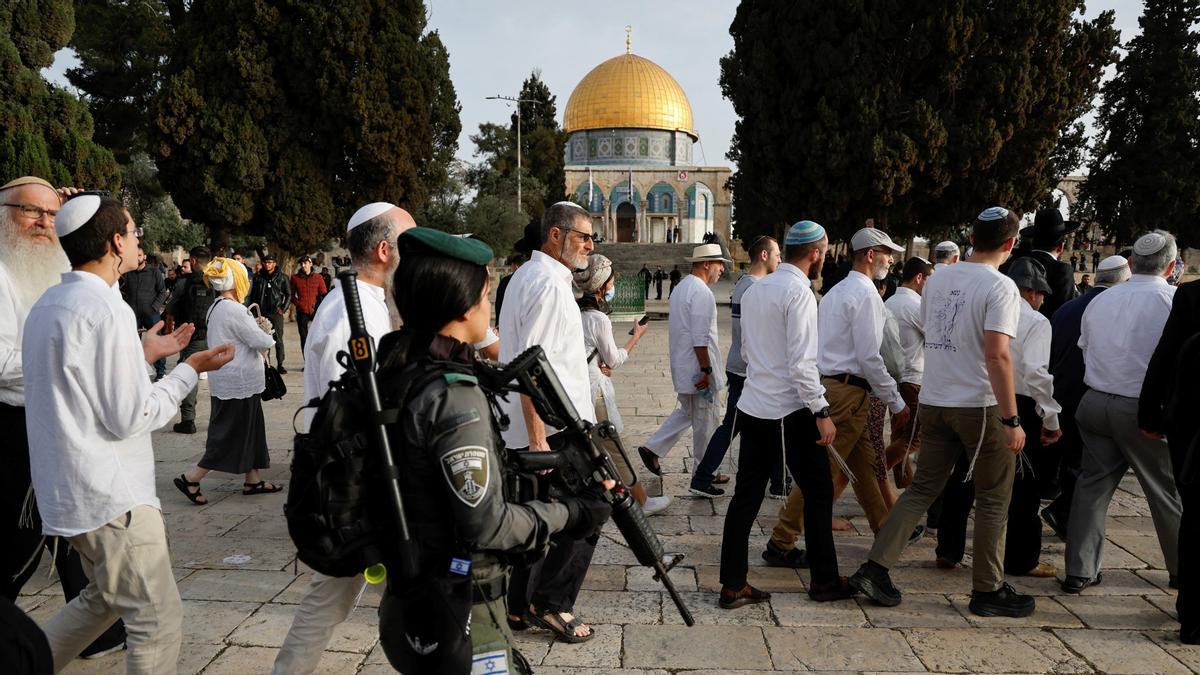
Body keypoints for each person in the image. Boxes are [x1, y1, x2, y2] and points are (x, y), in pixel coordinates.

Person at [371, 226, 610, 674]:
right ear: (462, 307)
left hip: (410, 593)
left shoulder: (399, 364)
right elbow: (488, 524)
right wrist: (572, 514)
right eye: (485, 298)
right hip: (462, 605)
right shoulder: (453, 395)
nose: (489, 310)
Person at [23, 194, 233, 672]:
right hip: (110, 497)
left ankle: (23, 663)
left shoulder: (50, 304)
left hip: (70, 493)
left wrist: (141, 354)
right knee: (157, 621)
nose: (139, 239)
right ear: (116, 242)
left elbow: (79, 382)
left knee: (105, 599)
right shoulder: (106, 308)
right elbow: (131, 415)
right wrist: (188, 371)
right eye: (135, 232)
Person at [850, 206, 1034, 618]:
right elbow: (998, 355)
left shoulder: (938, 279)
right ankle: (988, 588)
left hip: (935, 399)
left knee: (921, 490)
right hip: (979, 404)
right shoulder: (1001, 287)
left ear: (972, 237)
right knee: (992, 498)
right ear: (1010, 244)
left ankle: (875, 567)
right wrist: (1012, 418)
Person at [272, 202, 414, 674]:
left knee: (334, 599)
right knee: (331, 598)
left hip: (367, 477)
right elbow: (345, 410)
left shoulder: (370, 305)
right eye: (407, 245)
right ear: (383, 250)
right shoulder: (347, 315)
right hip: (354, 482)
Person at [0, 177, 128, 659]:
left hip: (52, 421)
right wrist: (63, 365)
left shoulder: (54, 268)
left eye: (54, 215)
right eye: (31, 211)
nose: (44, 223)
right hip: (11, 428)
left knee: (69, 526)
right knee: (19, 542)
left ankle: (99, 632)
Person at [718, 219, 858, 607]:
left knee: (745, 498)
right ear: (816, 253)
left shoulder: (757, 290)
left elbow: (746, 353)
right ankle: (825, 581)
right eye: (825, 252)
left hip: (754, 405)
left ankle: (732, 584)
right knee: (818, 491)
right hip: (789, 411)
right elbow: (801, 364)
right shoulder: (799, 293)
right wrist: (822, 409)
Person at [763, 227, 911, 565]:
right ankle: (782, 540)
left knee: (865, 465)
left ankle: (885, 532)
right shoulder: (866, 295)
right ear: (870, 255)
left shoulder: (835, 292)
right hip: (849, 392)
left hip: (835, 387)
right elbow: (870, 358)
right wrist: (896, 401)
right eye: (887, 252)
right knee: (823, 472)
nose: (891, 258)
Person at [499, 201, 603, 643]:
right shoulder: (546, 283)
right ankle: (554, 603)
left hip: (545, 425)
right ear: (556, 235)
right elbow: (530, 366)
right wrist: (540, 437)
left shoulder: (533, 275)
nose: (590, 245)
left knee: (538, 517)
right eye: (583, 236)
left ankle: (521, 606)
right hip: (553, 429)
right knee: (590, 509)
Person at [1063, 230, 1183, 594]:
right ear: (1173, 266)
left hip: (1096, 401)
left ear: (1132, 263)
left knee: (1092, 485)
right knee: (1165, 491)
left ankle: (1079, 570)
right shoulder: (1170, 301)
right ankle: (1182, 569)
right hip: (1141, 408)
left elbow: (1087, 346)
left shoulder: (1101, 299)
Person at [934, 257, 1063, 577]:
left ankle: (948, 548)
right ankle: (1021, 558)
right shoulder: (1036, 321)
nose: (1042, 300)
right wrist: (1051, 418)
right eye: (1040, 293)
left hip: (977, 397)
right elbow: (1036, 374)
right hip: (1016, 403)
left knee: (964, 474)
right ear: (1030, 292)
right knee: (1024, 485)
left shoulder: (983, 309)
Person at [173, 258, 281, 506]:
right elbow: (260, 341)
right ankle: (192, 477)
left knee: (251, 429)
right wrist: (267, 332)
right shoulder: (234, 309)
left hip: (230, 380)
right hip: (238, 381)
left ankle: (252, 480)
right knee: (230, 434)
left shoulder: (217, 306)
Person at [1040, 255, 1131, 540]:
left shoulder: (1068, 307)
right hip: (1090, 393)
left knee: (1071, 459)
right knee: (1087, 465)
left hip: (1061, 391)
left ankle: (1065, 514)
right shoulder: (1113, 309)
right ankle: (1067, 514)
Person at [572, 255, 666, 514]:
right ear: (601, 286)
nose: (613, 286)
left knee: (591, 446)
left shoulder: (573, 312)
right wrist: (636, 336)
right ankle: (641, 501)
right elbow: (614, 360)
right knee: (613, 446)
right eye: (611, 282)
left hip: (579, 386)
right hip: (595, 390)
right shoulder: (598, 319)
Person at [691, 235, 780, 498]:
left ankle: (776, 481)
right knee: (748, 425)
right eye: (776, 254)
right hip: (749, 369)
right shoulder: (756, 289)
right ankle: (777, 483)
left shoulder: (745, 284)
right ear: (763, 255)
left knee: (746, 425)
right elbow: (757, 334)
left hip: (742, 367)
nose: (779, 260)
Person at [636, 243, 730, 479]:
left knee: (688, 412)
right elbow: (700, 338)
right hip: (698, 370)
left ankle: (653, 448)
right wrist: (706, 370)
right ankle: (705, 472)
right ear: (706, 264)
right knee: (707, 419)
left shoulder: (681, 288)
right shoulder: (702, 292)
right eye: (719, 264)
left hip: (685, 365)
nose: (722, 270)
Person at [1140, 276, 1200, 644]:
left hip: (1191, 425)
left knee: (1195, 517)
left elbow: (1165, 354)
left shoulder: (1192, 294)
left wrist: (1150, 414)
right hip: (1191, 426)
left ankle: (1192, 613)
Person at [883, 257, 933, 487]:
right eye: (929, 280)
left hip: (895, 379)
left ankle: (903, 483)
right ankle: (876, 469)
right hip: (914, 378)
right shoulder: (915, 306)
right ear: (919, 278)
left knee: (901, 434)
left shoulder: (889, 302)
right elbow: (936, 338)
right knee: (915, 437)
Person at [164, 245, 218, 434]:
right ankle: (219, 420)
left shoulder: (184, 283)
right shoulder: (215, 282)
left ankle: (188, 420)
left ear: (193, 261)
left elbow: (170, 307)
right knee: (217, 377)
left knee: (189, 375)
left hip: (190, 338)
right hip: (213, 336)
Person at [1010, 209, 1080, 318]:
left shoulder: (1014, 262)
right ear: (1061, 247)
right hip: (1047, 331)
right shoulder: (1062, 270)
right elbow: (1065, 312)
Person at [120, 244, 168, 380]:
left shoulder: (154, 272)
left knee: (157, 341)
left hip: (151, 313)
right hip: (132, 314)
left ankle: (161, 372)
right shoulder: (127, 273)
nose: (137, 258)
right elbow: (122, 291)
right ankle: (135, 373)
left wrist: (154, 306)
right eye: (135, 255)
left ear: (144, 257)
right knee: (130, 342)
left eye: (139, 255)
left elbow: (162, 292)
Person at [248, 253, 291, 372]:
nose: (267, 265)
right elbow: (253, 296)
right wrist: (255, 312)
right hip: (262, 313)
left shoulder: (283, 277)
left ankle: (280, 364)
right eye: (265, 262)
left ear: (274, 264)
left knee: (278, 339)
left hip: (276, 312)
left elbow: (288, 294)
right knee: (263, 339)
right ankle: (266, 363)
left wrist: (283, 308)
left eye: (270, 262)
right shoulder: (258, 278)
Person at [290, 255, 328, 353]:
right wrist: (298, 304)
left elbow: (323, 293)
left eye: (305, 263)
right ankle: (307, 362)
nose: (303, 265)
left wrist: (318, 305)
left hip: (315, 311)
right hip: (302, 311)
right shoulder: (295, 278)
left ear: (310, 264)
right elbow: (291, 294)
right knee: (304, 338)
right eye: (301, 264)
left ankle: (318, 362)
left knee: (319, 337)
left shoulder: (318, 277)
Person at [494, 250, 527, 326]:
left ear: (515, 266)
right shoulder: (531, 281)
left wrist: (498, 323)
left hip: (506, 322)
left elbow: (499, 302)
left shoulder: (506, 281)